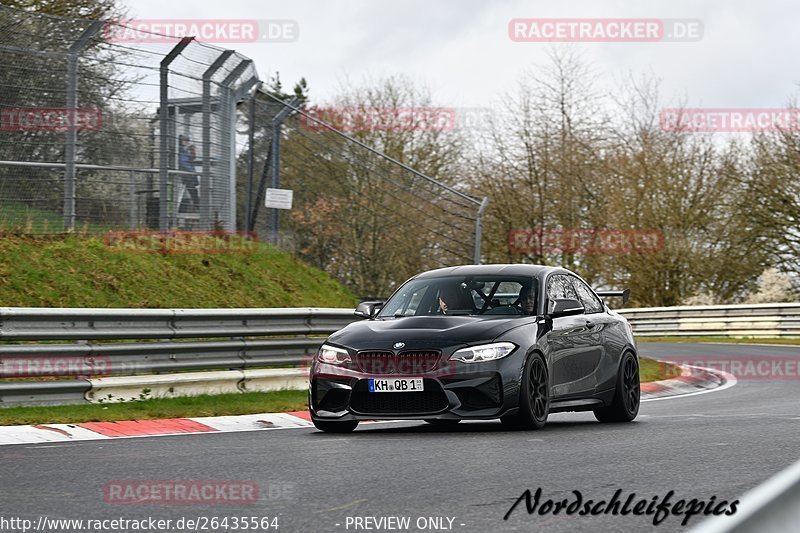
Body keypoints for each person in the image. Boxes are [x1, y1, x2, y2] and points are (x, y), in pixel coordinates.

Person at [178, 135, 199, 212]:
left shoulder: (183, 149)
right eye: (185, 141)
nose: (186, 142)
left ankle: (197, 205)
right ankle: (197, 205)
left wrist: (192, 150)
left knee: (192, 190)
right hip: (187, 172)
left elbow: (191, 158)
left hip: (189, 171)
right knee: (192, 189)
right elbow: (183, 161)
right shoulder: (180, 149)